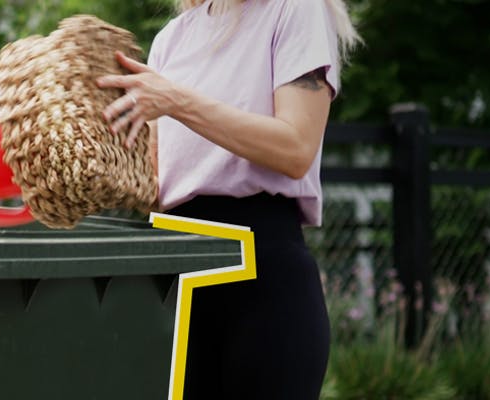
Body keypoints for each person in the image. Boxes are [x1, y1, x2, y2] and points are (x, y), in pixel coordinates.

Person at [96, 0, 360, 397]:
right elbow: (153, 183)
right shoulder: (171, 40)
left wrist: (177, 101)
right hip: (173, 278)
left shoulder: (295, 9)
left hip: (261, 271)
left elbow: (296, 148)